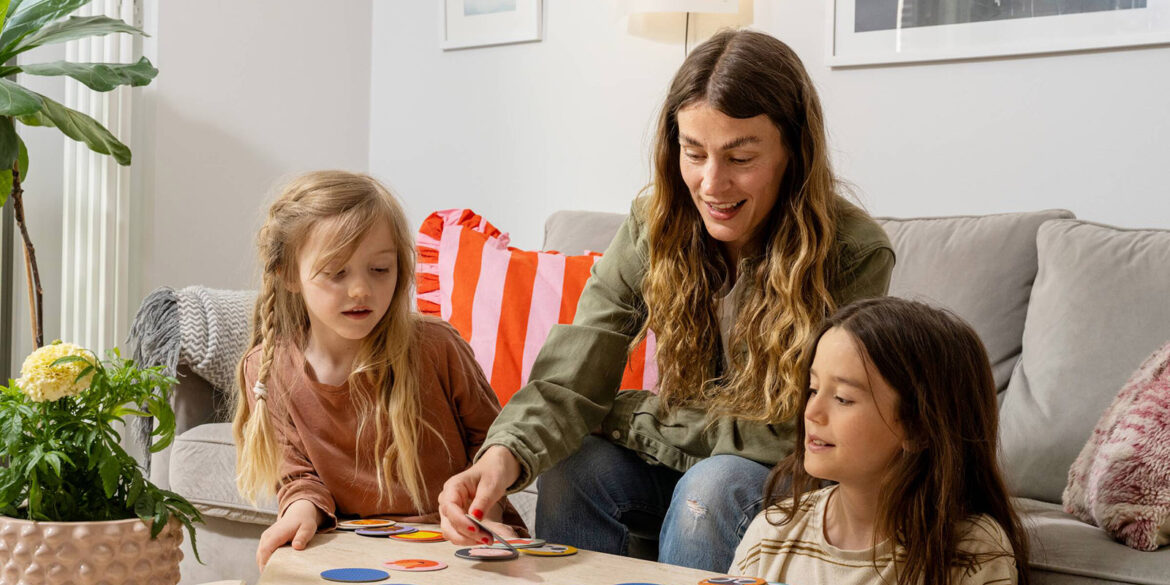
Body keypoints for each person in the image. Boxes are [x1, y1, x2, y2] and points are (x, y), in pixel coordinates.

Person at [438, 29, 896, 571]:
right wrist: (502, 455)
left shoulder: (853, 252)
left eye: (740, 157)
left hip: (784, 474)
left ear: (793, 153)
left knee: (714, 485)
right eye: (693, 152)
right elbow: (580, 364)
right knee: (573, 464)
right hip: (687, 459)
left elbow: (799, 431)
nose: (711, 183)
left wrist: (628, 418)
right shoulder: (654, 224)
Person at [231, 171, 524, 569]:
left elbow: (495, 443)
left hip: (463, 543)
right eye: (337, 273)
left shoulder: (436, 346)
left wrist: (483, 513)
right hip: (357, 550)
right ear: (288, 274)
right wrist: (300, 511)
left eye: (380, 270)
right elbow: (298, 476)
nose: (361, 290)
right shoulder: (267, 370)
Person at [731, 297, 1031, 585]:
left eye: (842, 398)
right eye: (812, 389)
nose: (812, 412)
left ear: (918, 429)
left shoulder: (972, 552)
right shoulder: (771, 533)